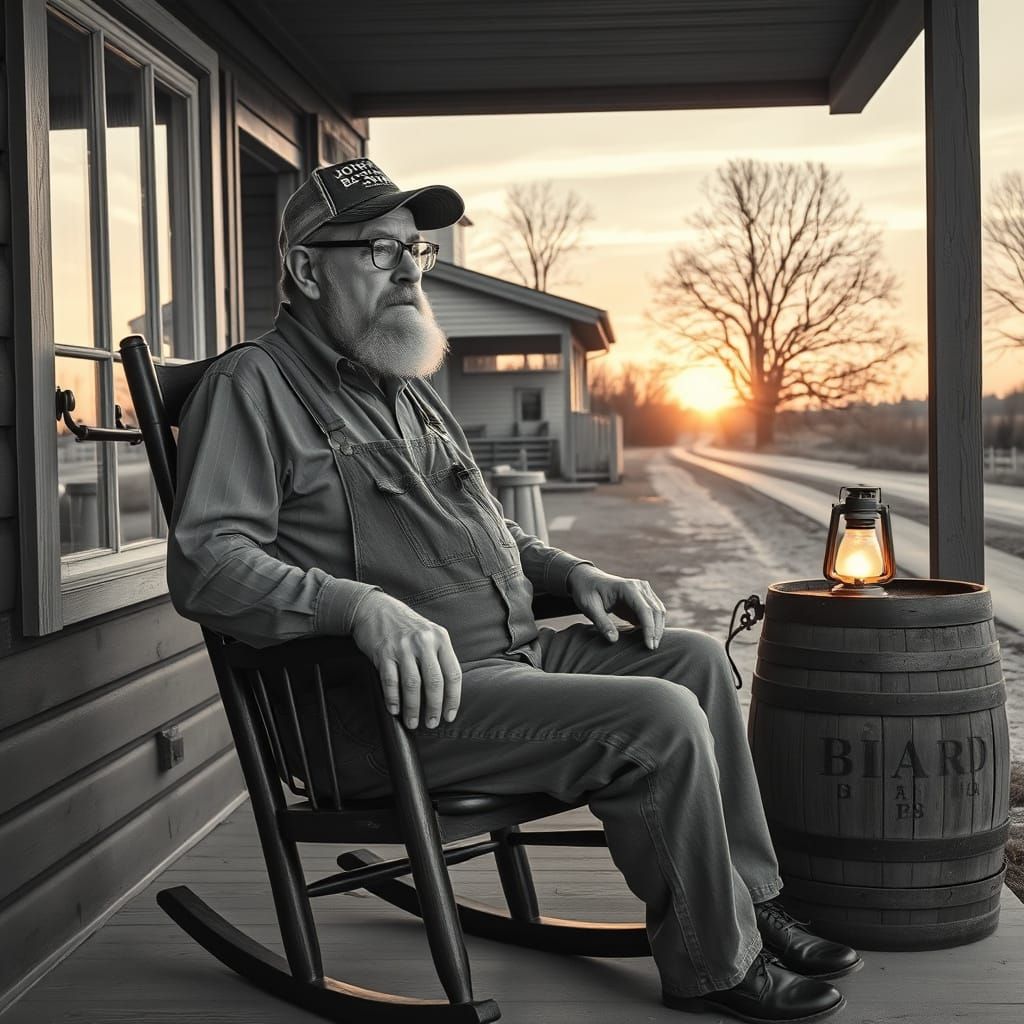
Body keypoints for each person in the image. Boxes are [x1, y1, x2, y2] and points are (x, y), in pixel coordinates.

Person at [167, 158, 860, 1022]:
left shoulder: (406, 391)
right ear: (308, 270)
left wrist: (575, 575)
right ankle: (715, 963)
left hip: (507, 655)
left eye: (416, 248)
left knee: (688, 663)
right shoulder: (253, 388)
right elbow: (207, 562)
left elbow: (494, 531)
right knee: (657, 719)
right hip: (387, 706)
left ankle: (748, 903)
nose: (412, 269)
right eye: (382, 251)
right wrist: (356, 606)